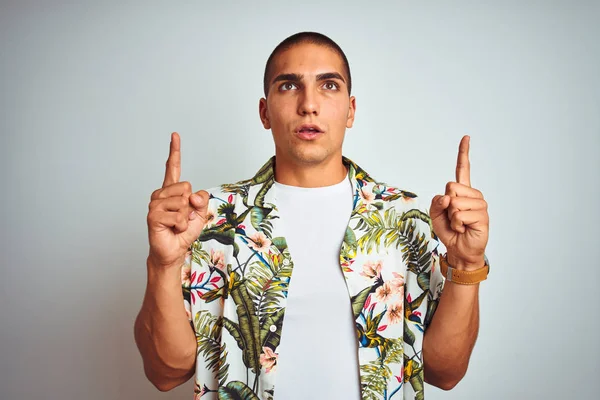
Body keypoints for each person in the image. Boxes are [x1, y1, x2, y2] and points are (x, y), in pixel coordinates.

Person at [134, 31, 490, 400]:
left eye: (329, 85)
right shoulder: (208, 219)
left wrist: (467, 262)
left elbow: (444, 373)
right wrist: (163, 264)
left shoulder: (406, 219)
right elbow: (165, 373)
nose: (309, 104)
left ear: (351, 110)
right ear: (264, 112)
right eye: (288, 86)